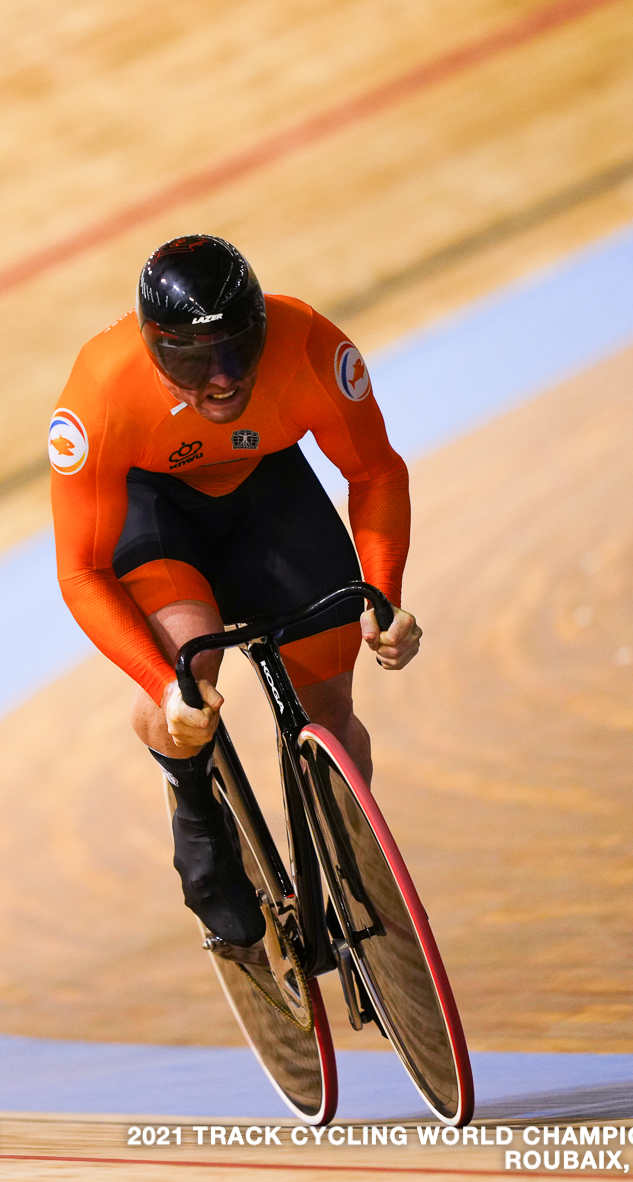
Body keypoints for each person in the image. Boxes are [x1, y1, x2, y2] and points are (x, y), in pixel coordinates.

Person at [48, 235, 422, 947]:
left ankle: (356, 877)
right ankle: (196, 811)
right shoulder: (101, 391)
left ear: (262, 330)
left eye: (238, 352)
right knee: (192, 668)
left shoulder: (308, 343)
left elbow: (375, 473)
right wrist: (163, 686)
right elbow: (81, 572)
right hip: (159, 516)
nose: (222, 380)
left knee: (332, 713)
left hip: (265, 495)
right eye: (193, 362)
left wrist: (384, 595)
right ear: (155, 353)